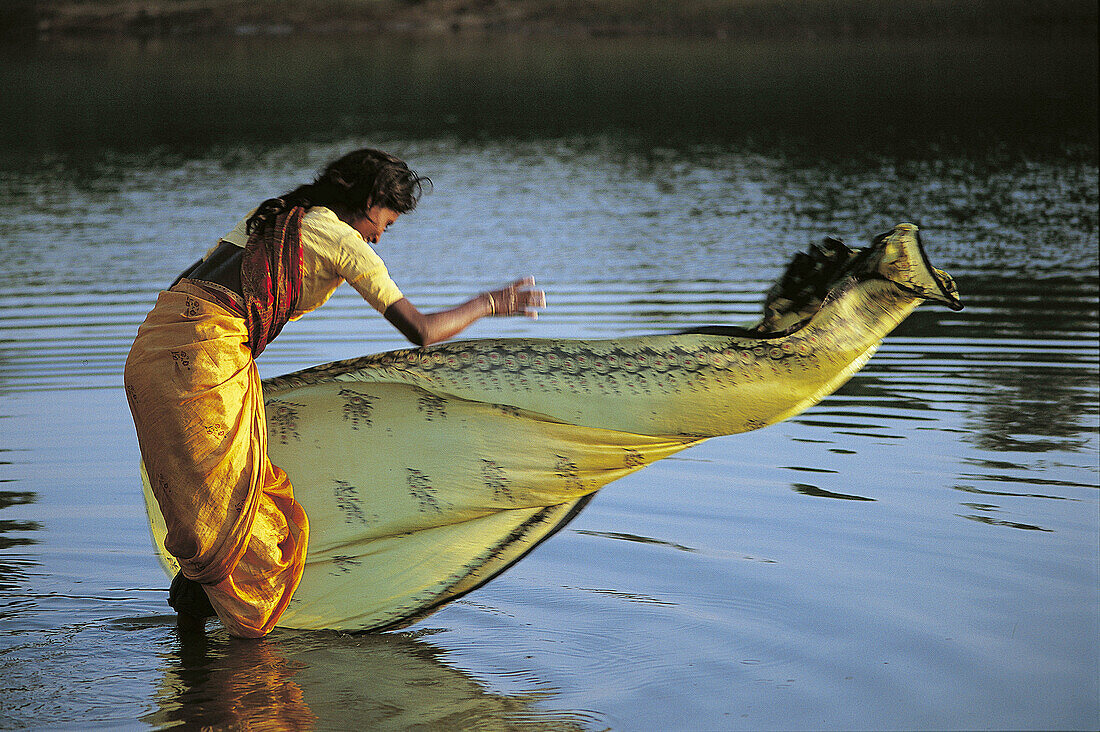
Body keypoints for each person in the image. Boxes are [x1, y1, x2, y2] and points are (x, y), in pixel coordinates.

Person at [123, 148, 545, 636]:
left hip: (153, 349)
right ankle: (231, 660)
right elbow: (422, 330)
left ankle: (194, 661)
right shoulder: (342, 239)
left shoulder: (277, 214)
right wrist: (490, 303)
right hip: (202, 356)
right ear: (368, 200)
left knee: (217, 510)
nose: (380, 235)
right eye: (384, 222)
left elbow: (191, 283)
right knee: (245, 515)